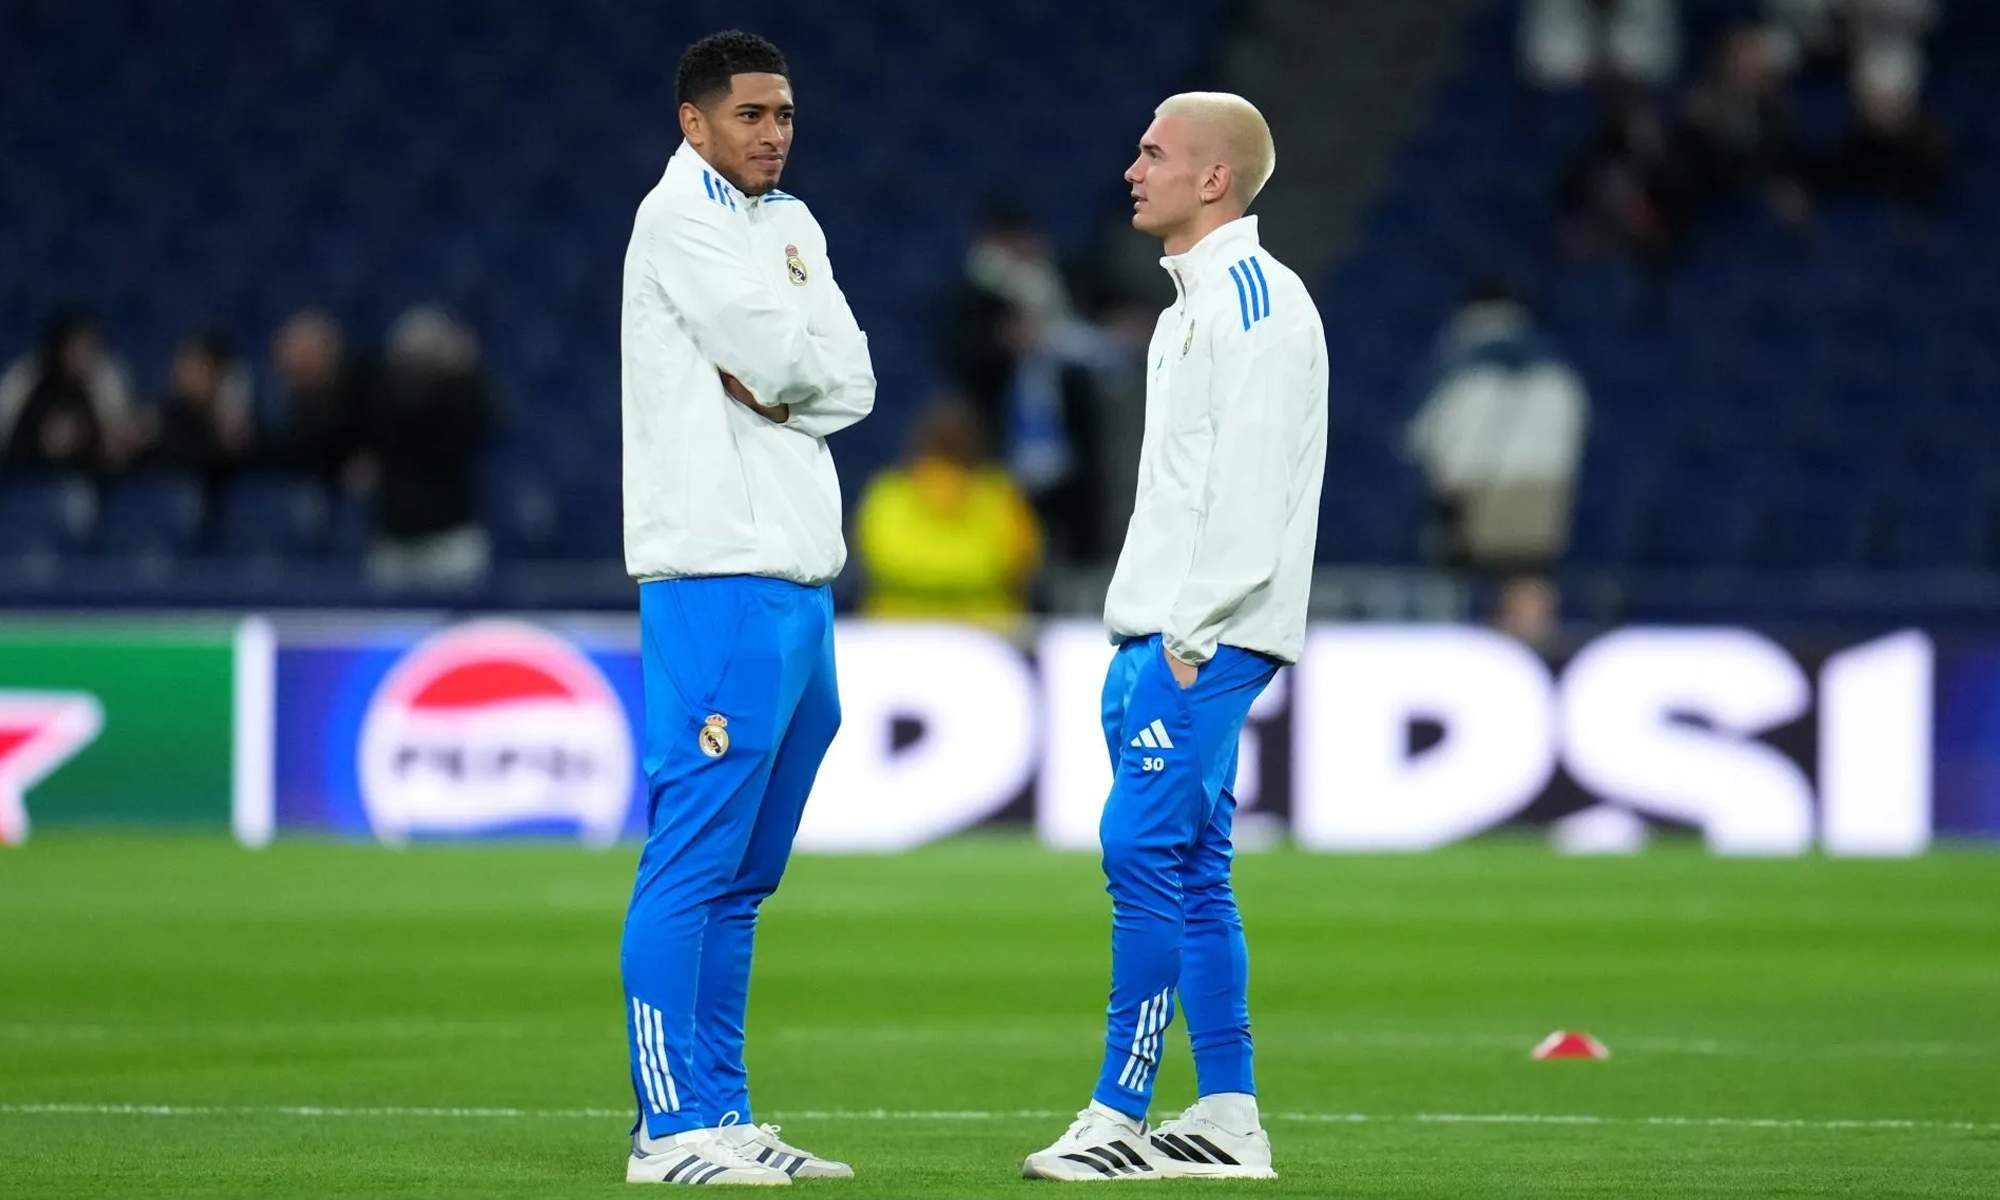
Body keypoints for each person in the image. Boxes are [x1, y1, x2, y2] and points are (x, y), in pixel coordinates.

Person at [1022, 92, 1326, 1182]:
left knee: (1137, 854)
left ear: (1214, 180)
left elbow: (1246, 493)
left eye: (1151, 151)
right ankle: (1230, 1117)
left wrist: (1187, 635)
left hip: (1198, 635)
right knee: (1194, 872)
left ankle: (1115, 1117)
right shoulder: (1190, 305)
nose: (1129, 169)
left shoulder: (1254, 301)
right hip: (1156, 631)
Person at [617, 29, 873, 1187]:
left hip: (799, 581)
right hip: (715, 574)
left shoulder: (793, 226)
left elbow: (848, 378)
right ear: (694, 123)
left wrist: (790, 381)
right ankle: (664, 1129)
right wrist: (791, 375)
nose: (774, 131)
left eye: (783, 114)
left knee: (746, 872)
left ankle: (723, 1116)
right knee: (692, 856)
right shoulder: (675, 221)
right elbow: (779, 357)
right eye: (751, 114)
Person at [1405, 281, 1589, 577]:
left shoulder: (1453, 366)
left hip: (1474, 513)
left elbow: (1420, 442)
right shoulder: (1559, 369)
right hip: (1545, 515)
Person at [852, 398, 1043, 624]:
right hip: (984, 632)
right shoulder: (1001, 496)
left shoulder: (886, 495)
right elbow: (1018, 564)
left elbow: (879, 559)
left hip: (899, 631)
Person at [366, 306, 493, 590]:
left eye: (427, 358)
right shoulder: (384, 401)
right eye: (411, 359)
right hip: (395, 542)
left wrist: (465, 373)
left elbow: (486, 420)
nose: (419, 366)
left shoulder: (461, 398)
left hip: (451, 541)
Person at [0, 312, 141, 474]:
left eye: (90, 347)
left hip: (94, 481)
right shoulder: (26, 379)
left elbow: (117, 446)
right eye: (76, 347)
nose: (83, 355)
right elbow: (8, 439)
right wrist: (40, 440)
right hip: (23, 478)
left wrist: (86, 438)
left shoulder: (106, 378)